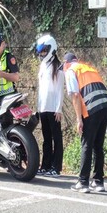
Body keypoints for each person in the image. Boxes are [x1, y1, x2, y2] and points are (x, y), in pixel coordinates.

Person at [63, 52, 107, 193]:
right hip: (106, 107)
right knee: (98, 145)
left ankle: (83, 182)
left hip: (92, 109)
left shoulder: (71, 71)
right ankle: (98, 182)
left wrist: (79, 119)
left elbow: (76, 95)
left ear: (66, 63)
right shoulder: (89, 68)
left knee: (86, 144)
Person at [35, 34, 64, 177]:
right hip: (43, 107)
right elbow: (41, 89)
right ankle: (45, 165)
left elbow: (59, 89)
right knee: (46, 138)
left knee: (56, 138)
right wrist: (38, 107)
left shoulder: (57, 67)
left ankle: (56, 167)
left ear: (51, 49)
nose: (42, 54)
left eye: (44, 51)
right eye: (40, 51)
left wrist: (59, 109)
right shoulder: (42, 65)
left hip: (53, 108)